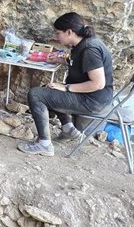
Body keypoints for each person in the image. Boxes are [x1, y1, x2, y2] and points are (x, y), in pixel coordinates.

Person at [19, 12, 113, 157]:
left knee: (36, 95)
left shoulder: (90, 49)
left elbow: (98, 83)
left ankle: (44, 145)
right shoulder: (82, 44)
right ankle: (69, 129)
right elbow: (77, 62)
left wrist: (66, 87)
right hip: (91, 96)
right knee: (49, 89)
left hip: (93, 100)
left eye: (58, 33)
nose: (56, 37)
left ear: (69, 32)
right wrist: (59, 60)